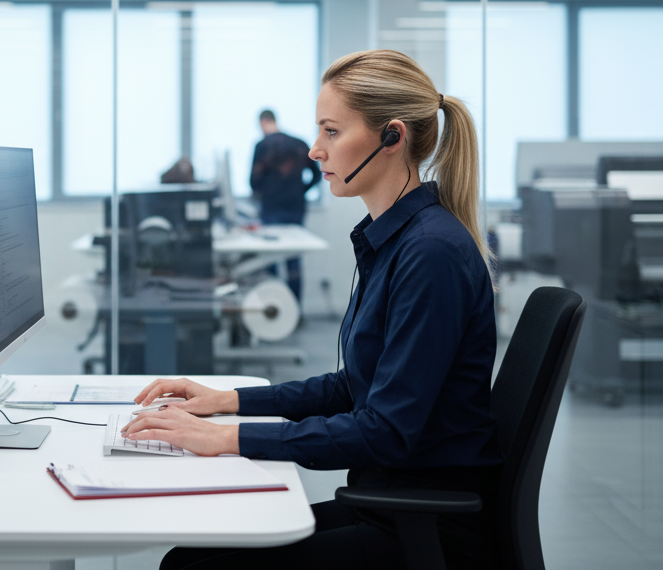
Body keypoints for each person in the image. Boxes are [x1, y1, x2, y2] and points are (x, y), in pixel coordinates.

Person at [123, 50, 502, 570]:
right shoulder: (398, 242)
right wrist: (226, 401)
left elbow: (384, 431)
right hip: (392, 505)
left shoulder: (429, 253)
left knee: (192, 565)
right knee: (193, 553)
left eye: (330, 131)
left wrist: (226, 438)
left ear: (392, 138)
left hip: (426, 529)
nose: (314, 151)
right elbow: (353, 388)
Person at [249, 109, 321, 301]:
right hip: (295, 209)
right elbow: (316, 174)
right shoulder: (299, 144)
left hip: (271, 208)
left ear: (262, 123)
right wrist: (301, 191)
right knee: (293, 259)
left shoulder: (262, 146)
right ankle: (295, 311)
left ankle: (274, 307)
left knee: (269, 259)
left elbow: (253, 182)